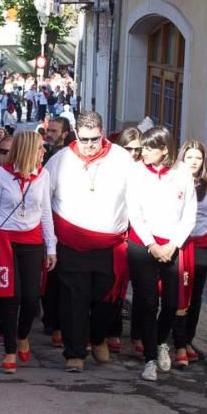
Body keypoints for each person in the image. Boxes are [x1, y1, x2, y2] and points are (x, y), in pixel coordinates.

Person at [45, 111, 132, 373]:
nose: (90, 145)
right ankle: (74, 352)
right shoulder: (60, 160)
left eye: (95, 139)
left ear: (103, 133)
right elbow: (44, 199)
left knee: (106, 299)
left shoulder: (121, 158)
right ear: (75, 134)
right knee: (74, 298)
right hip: (72, 244)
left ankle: (97, 338)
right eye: (84, 139)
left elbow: (137, 197)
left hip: (110, 244)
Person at [0, 131, 56, 373]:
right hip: (4, 239)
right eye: (40, 148)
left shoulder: (43, 175)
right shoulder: (1, 175)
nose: (44, 152)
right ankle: (10, 349)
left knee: (32, 298)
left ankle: (23, 334)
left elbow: (45, 212)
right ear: (28, 151)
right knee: (11, 296)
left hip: (32, 240)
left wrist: (51, 247)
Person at [126, 126, 196, 382]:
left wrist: (173, 244)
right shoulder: (136, 172)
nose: (143, 152)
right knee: (147, 303)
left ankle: (161, 341)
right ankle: (150, 360)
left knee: (170, 303)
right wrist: (151, 244)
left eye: (148, 148)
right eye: (142, 147)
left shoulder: (182, 173)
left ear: (164, 149)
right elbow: (134, 211)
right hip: (143, 243)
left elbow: (190, 213)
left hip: (172, 245)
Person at [171, 139, 207, 368]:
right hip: (178, 246)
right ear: (182, 159)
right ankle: (177, 343)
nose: (194, 162)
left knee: (195, 298)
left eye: (198, 158)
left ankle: (187, 340)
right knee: (178, 296)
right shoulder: (173, 179)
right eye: (189, 157)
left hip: (202, 249)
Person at [106, 126, 143, 353]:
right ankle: (112, 330)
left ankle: (138, 335)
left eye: (138, 150)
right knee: (115, 283)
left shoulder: (145, 170)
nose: (133, 154)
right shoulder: (112, 169)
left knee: (141, 287)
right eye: (129, 149)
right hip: (117, 231)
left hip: (140, 233)